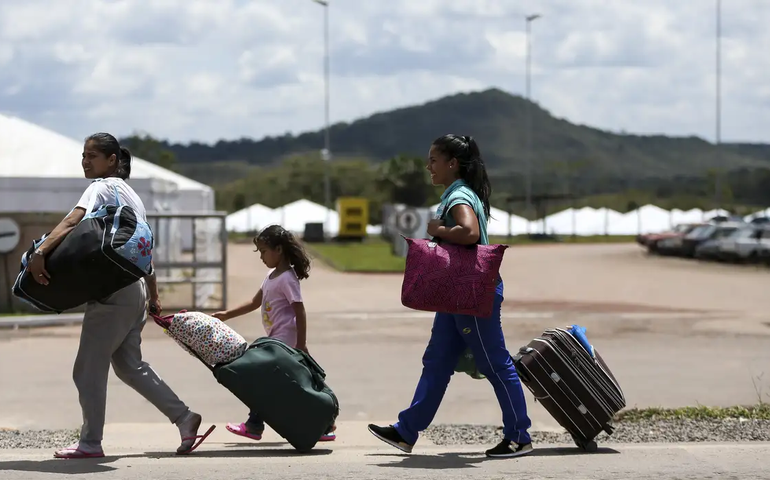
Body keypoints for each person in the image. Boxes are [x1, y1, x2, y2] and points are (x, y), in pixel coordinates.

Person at [27, 132, 212, 459]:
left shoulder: (101, 187)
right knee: (129, 366)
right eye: (83, 156)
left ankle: (90, 443)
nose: (86, 162)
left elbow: (73, 221)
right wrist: (152, 293)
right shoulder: (132, 197)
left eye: (92, 156)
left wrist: (40, 252)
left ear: (112, 161)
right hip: (134, 289)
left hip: (113, 292)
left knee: (87, 368)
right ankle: (184, 418)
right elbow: (142, 248)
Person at [367, 134, 534, 458]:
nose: (428, 165)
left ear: (452, 163)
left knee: (495, 363)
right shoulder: (457, 193)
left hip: (470, 293)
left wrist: (438, 230)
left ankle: (519, 436)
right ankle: (406, 431)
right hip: (454, 294)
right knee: (437, 361)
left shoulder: (458, 196)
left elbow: (469, 232)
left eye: (433, 159)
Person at [211, 224, 336, 442]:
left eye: (263, 251)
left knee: (265, 381)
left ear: (278, 250)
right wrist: (227, 315)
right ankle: (324, 427)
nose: (261, 257)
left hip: (285, 343)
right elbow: (254, 302)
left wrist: (301, 344)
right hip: (275, 341)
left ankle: (254, 425)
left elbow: (300, 310)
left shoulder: (287, 278)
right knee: (288, 387)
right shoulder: (271, 276)